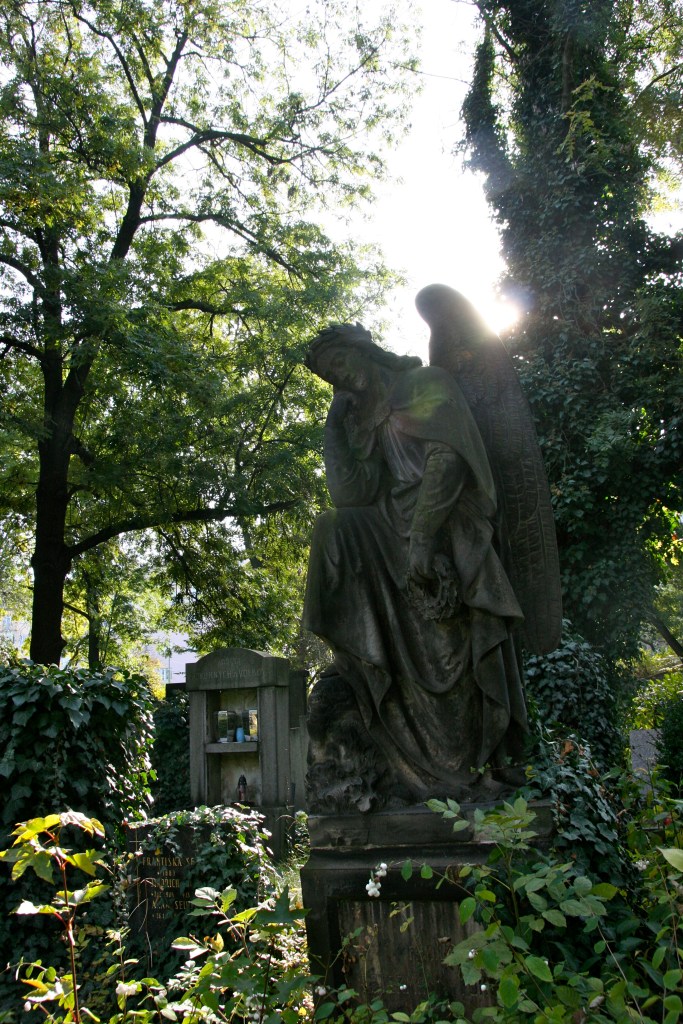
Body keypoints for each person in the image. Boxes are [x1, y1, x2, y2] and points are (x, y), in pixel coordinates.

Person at [303, 323, 528, 813]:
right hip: (390, 529)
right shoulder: (362, 419)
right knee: (331, 528)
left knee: (445, 643)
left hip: (445, 520)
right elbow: (350, 495)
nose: (338, 377)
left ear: (362, 351)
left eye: (338, 363)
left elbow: (449, 460)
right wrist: (334, 428)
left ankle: (470, 767)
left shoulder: (426, 383)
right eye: (328, 377)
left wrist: (423, 538)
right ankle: (364, 678)